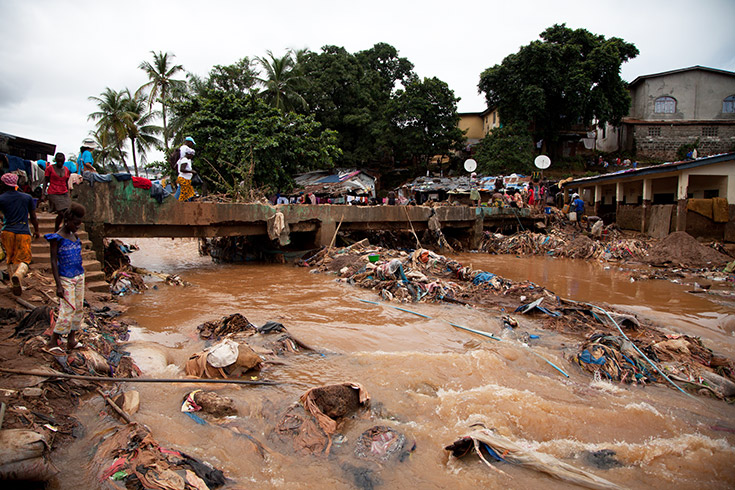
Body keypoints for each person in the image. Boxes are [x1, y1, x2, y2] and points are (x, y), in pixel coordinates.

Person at [45, 203, 86, 354]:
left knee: (79, 309)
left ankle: (71, 340)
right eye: (75, 224)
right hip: (66, 278)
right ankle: (53, 340)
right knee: (68, 309)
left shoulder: (74, 236)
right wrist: (58, 285)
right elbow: (53, 262)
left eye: (79, 224)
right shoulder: (57, 238)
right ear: (67, 220)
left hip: (79, 275)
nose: (77, 227)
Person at [0, 173, 40, 295]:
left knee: (10, 258)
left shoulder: (1, 198)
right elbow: (33, 216)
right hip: (23, 231)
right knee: (26, 259)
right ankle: (18, 275)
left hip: (7, 231)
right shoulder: (26, 197)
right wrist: (37, 230)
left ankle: (13, 284)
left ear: (4, 184)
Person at [42, 152, 71, 231]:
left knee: (68, 212)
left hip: (64, 192)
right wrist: (43, 193)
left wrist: (68, 193)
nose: (60, 163)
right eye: (58, 161)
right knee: (61, 213)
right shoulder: (50, 169)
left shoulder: (66, 170)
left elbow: (66, 182)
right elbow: (45, 181)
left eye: (61, 162)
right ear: (56, 160)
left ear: (64, 161)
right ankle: (56, 229)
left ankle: (66, 229)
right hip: (53, 192)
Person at [176, 137, 197, 202]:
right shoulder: (184, 159)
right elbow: (182, 169)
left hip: (187, 179)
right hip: (183, 179)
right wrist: (191, 171)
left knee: (190, 194)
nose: (192, 157)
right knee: (181, 194)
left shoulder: (185, 159)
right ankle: (176, 205)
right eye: (191, 155)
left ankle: (188, 205)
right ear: (188, 154)